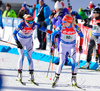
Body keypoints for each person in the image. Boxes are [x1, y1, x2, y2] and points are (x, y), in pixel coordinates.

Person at [13, 14, 52, 83]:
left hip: (29, 41)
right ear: (26, 21)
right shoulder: (22, 24)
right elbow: (14, 33)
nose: (31, 24)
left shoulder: (34, 24)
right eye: (29, 22)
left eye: (32, 22)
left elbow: (43, 29)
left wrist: (52, 33)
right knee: (21, 56)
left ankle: (31, 76)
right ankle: (19, 75)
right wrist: (17, 42)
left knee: (29, 57)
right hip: (21, 41)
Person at [51, 14, 83, 87]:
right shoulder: (61, 26)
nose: (63, 23)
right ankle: (56, 77)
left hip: (72, 46)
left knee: (73, 61)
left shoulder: (75, 27)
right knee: (61, 61)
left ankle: (74, 78)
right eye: (63, 21)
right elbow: (53, 34)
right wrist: (53, 43)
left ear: (69, 22)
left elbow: (81, 36)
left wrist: (80, 46)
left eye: (65, 22)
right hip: (63, 45)